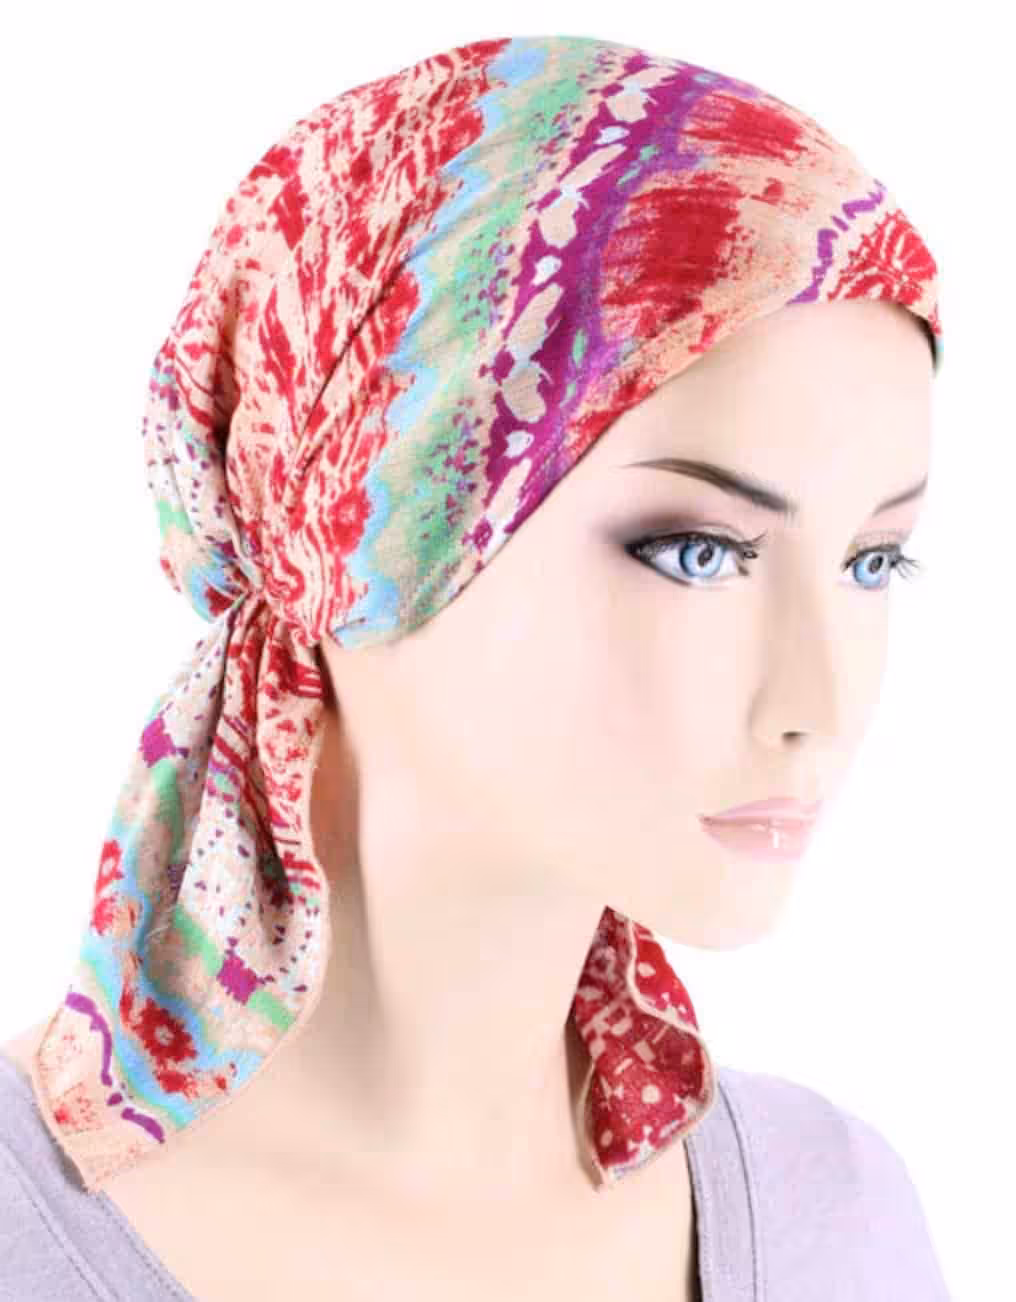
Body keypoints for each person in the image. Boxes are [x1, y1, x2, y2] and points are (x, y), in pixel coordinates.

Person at [1, 34, 950, 1301]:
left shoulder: (839, 1217)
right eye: (697, 553)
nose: (815, 705)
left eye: (872, 562)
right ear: (358, 534)